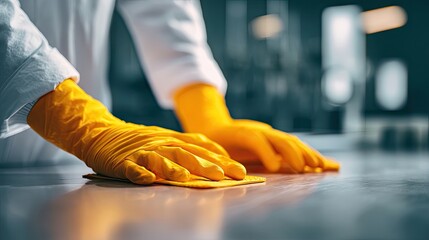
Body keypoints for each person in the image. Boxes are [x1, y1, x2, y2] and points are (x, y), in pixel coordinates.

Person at [0, 0, 339, 184]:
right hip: (80, 144)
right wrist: (78, 121)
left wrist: (207, 116)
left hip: (66, 167)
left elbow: (165, 8)